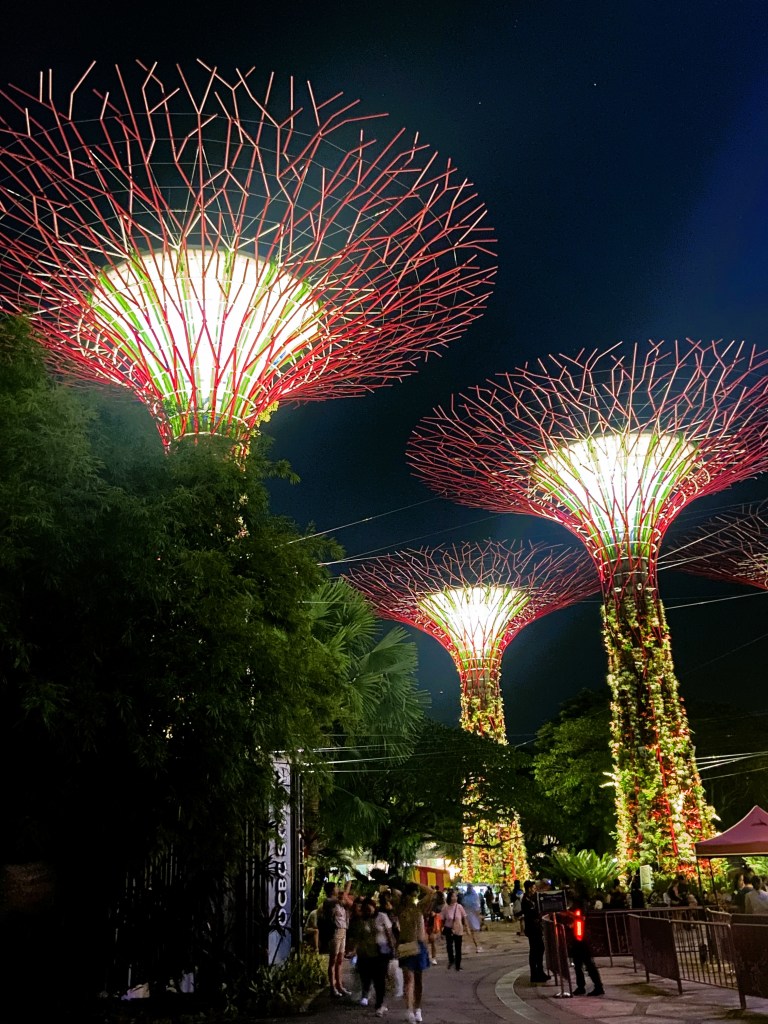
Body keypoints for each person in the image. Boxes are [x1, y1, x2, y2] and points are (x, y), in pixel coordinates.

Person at [395, 882, 431, 1024]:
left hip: (420, 945)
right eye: (411, 894)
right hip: (406, 944)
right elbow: (394, 891)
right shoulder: (400, 908)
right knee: (409, 980)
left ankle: (417, 1009)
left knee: (419, 980)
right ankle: (409, 1010)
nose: (413, 897)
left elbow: (430, 892)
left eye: (414, 894)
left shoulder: (419, 907)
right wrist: (404, 889)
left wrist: (415, 883)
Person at [558, 897, 604, 997]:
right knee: (578, 964)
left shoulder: (581, 906)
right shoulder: (575, 907)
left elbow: (581, 919)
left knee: (588, 964)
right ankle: (581, 986)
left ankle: (598, 986)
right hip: (577, 939)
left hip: (582, 939)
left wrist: (569, 914)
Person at [320, 881, 352, 998]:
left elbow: (346, 902)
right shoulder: (329, 901)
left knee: (340, 960)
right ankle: (333, 987)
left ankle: (339, 985)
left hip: (343, 930)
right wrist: (347, 887)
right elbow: (341, 899)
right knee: (333, 960)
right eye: (336, 887)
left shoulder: (339, 903)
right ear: (331, 890)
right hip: (335, 932)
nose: (338, 889)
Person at [373, 893, 399, 1017]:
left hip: (385, 949)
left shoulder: (387, 914)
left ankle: (381, 1003)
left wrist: (393, 949)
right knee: (380, 977)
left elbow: (391, 934)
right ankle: (380, 1002)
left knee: (384, 977)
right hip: (378, 949)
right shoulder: (380, 914)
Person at [521, 880, 550, 984]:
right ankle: (535, 974)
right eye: (533, 888)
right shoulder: (526, 900)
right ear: (529, 888)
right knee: (534, 950)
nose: (535, 889)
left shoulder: (532, 898)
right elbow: (531, 913)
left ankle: (540, 971)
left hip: (536, 928)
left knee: (540, 949)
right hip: (532, 928)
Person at [440, 888, 468, 971]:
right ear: (449, 897)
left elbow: (464, 917)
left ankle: (458, 965)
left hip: (458, 929)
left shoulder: (459, 907)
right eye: (453, 896)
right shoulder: (446, 907)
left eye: (456, 896)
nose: (455, 898)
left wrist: (467, 927)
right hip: (449, 929)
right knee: (449, 946)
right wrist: (441, 930)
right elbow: (442, 919)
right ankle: (451, 960)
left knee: (458, 947)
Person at [461, 884, 483, 951]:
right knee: (474, 931)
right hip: (472, 916)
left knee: (470, 931)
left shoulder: (466, 896)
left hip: (469, 915)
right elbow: (477, 907)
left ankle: (473, 946)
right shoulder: (474, 896)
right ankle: (477, 946)